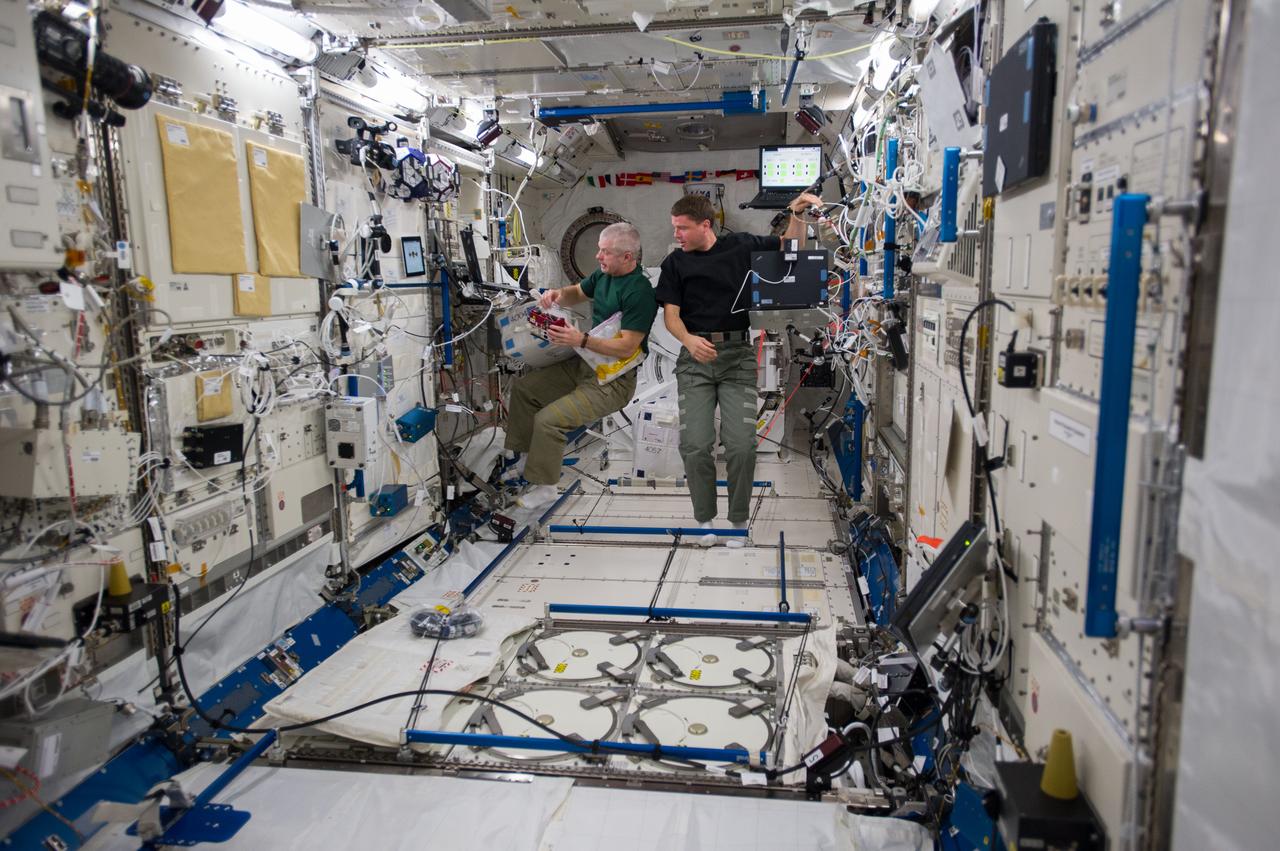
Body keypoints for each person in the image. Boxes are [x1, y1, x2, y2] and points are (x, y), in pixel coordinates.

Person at [655, 192, 821, 547]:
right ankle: (705, 519)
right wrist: (688, 341)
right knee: (696, 446)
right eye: (675, 229)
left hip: (736, 358)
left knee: (741, 446)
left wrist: (795, 212)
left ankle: (738, 520)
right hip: (695, 360)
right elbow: (671, 316)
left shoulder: (741, 246)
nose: (677, 235)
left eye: (683, 228)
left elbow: (791, 245)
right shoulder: (675, 264)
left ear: (705, 224)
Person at [506, 222, 657, 506]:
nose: (598, 257)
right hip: (586, 366)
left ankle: (546, 486)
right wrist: (555, 295)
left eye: (605, 252)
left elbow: (627, 347)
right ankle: (527, 462)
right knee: (526, 389)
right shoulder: (604, 275)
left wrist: (580, 339)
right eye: (599, 250)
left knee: (549, 421)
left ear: (627, 257)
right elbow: (576, 292)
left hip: (612, 382)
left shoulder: (639, 291)